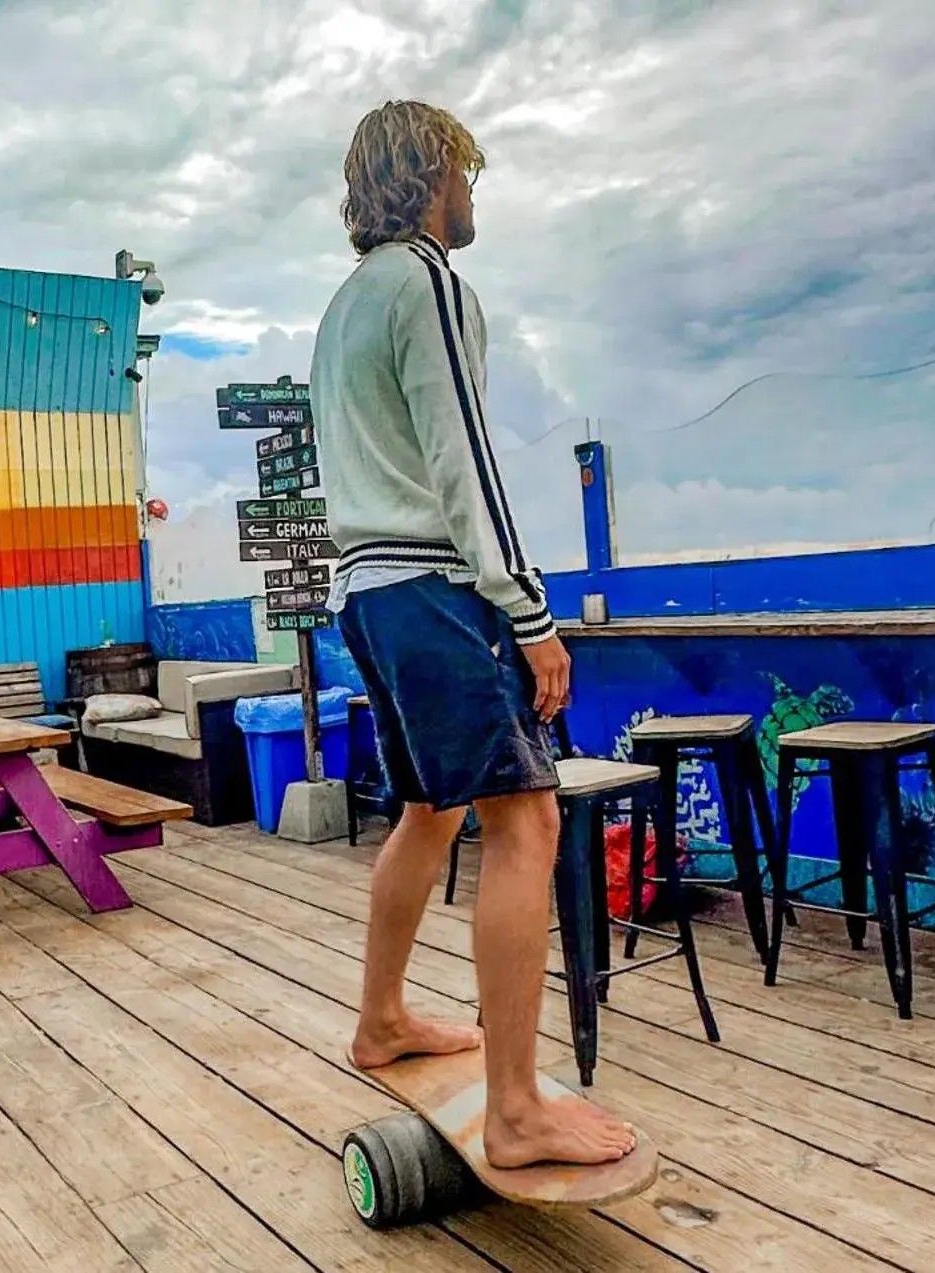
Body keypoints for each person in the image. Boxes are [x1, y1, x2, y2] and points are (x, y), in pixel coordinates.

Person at [311, 100, 636, 1169]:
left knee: (427, 811)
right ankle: (514, 1108)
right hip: (437, 588)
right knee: (525, 823)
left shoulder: (344, 306)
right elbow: (464, 463)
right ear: (427, 177)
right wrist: (531, 612)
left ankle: (383, 1019)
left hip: (363, 591)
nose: (473, 190)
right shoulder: (427, 281)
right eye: (464, 170)